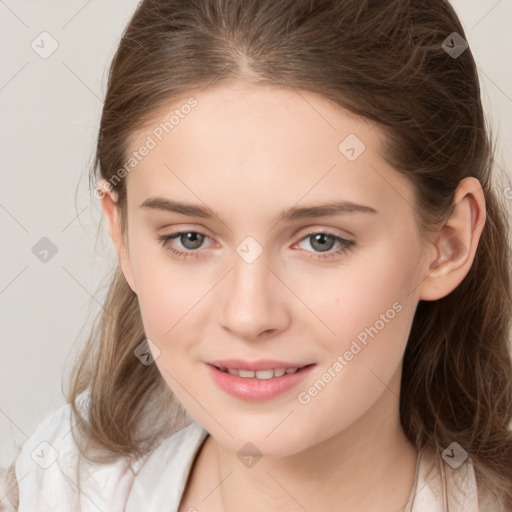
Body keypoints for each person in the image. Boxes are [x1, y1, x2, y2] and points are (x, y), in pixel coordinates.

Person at [4, 0, 512, 510]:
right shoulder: (57, 487)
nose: (249, 316)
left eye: (321, 241)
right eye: (190, 239)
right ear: (123, 235)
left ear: (448, 244)